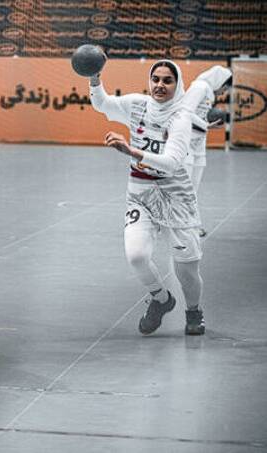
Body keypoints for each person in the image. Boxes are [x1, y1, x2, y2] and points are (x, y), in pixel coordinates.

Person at [88, 59, 207, 336]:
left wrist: (132, 152)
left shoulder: (180, 118)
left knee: (186, 271)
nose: (160, 85)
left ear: (177, 85)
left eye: (167, 80)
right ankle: (161, 299)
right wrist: (94, 78)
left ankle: (194, 311)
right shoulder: (137, 105)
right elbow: (102, 104)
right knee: (137, 256)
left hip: (175, 197)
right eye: (156, 79)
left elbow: (173, 163)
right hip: (140, 193)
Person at [182, 66, 233, 237]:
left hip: (198, 144)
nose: (224, 92)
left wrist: (205, 125)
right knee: (185, 187)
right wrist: (205, 124)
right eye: (225, 87)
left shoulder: (209, 93)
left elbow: (200, 116)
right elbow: (184, 111)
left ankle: (190, 224)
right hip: (186, 142)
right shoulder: (199, 87)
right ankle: (186, 226)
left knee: (193, 188)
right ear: (219, 81)